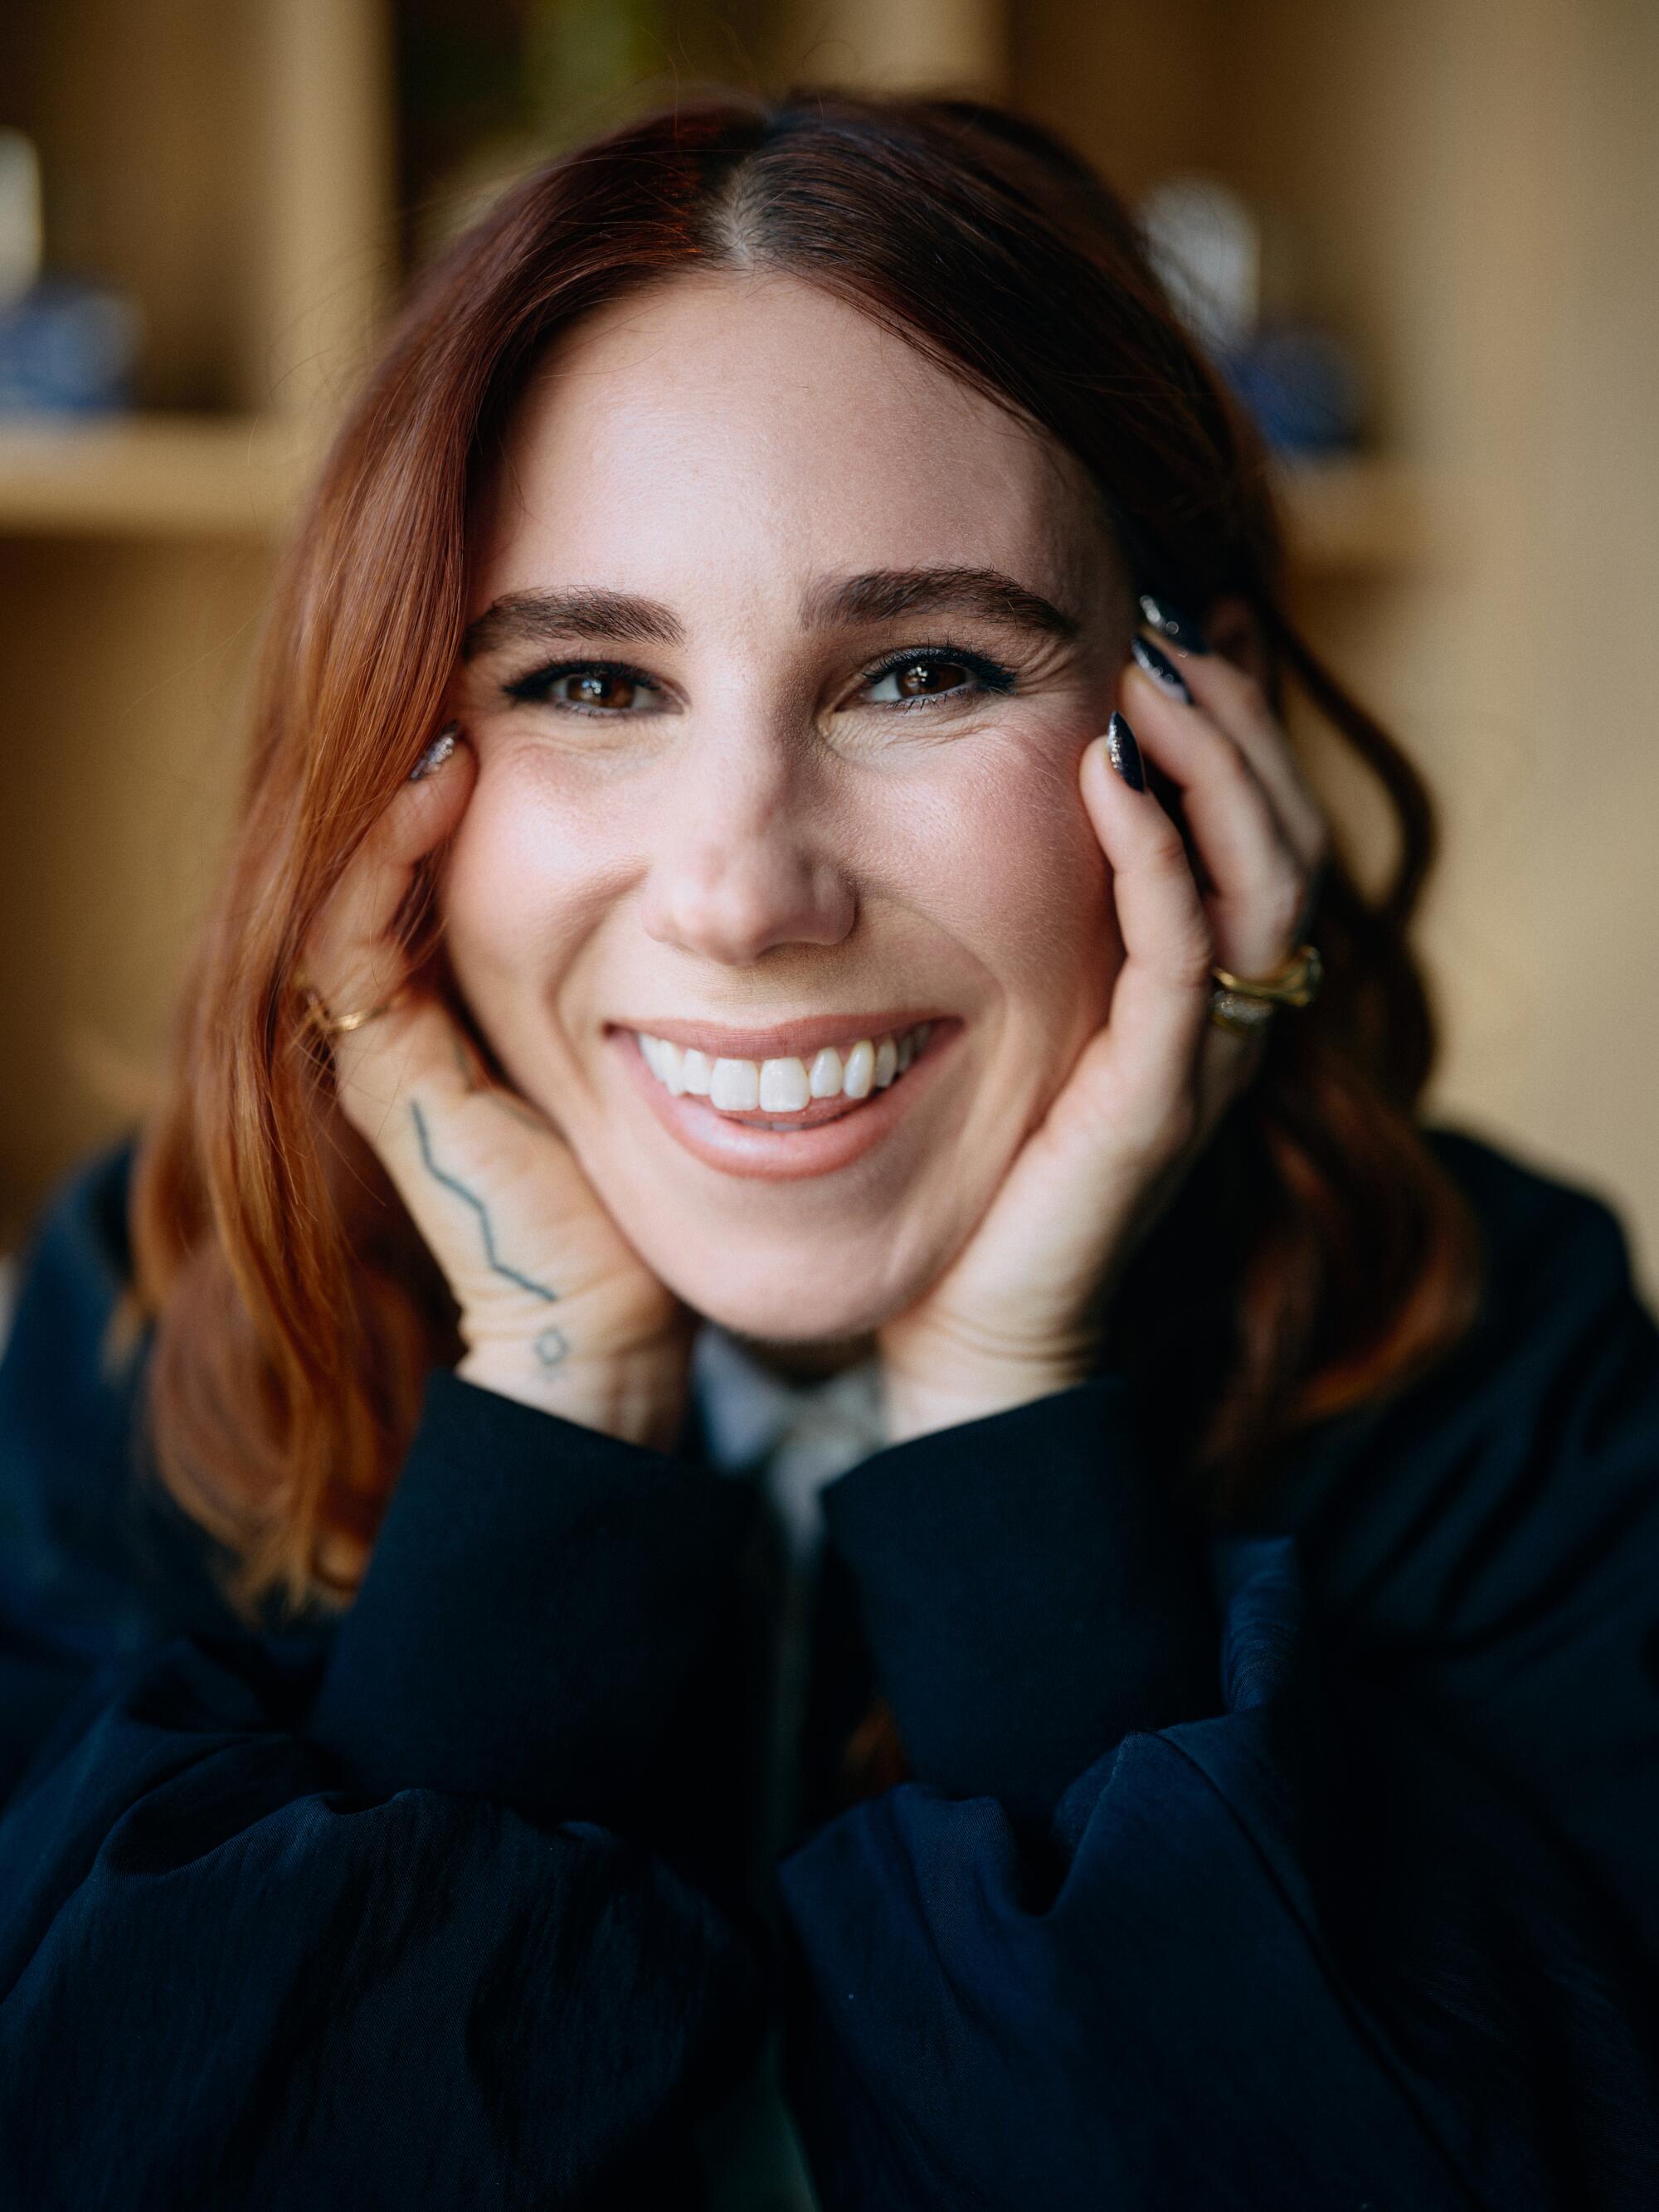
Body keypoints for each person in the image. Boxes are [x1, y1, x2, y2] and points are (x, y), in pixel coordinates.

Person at [1, 85, 1656, 2211]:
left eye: (924, 668)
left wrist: (1005, 1427)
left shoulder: (1499, 1367)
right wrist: (548, 1401)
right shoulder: (136, 1332)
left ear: (1195, 736)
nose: (742, 891)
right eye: (591, 681)